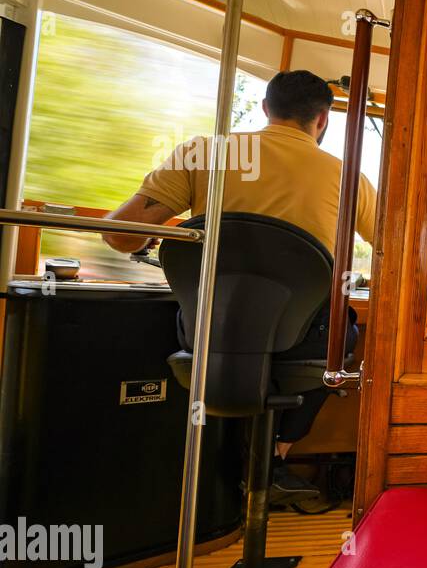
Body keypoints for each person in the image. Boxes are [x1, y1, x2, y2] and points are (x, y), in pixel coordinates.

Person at [104, 70, 378, 498]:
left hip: (205, 330)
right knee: (343, 337)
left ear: (267, 109)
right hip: (302, 342)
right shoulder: (347, 177)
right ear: (322, 119)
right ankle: (274, 456)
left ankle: (223, 464)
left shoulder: (204, 153)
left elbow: (121, 236)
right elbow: (393, 249)